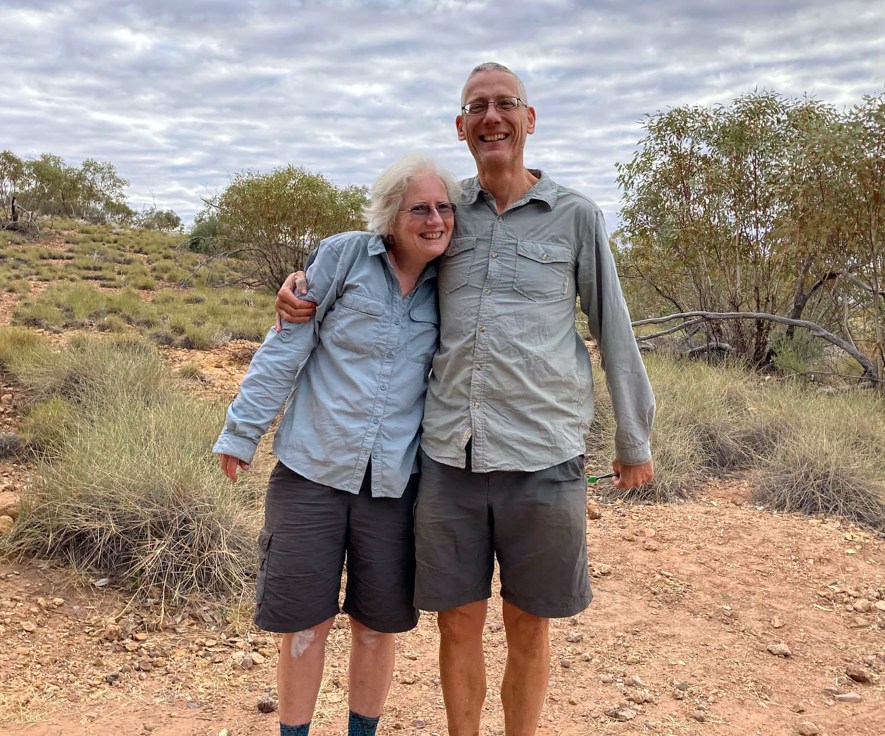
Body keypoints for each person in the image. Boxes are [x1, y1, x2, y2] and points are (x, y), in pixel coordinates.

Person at [277, 63, 656, 736]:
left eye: (506, 103)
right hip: (451, 460)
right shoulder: (446, 214)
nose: (492, 117)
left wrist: (635, 440)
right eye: (477, 106)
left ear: (529, 120)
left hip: (543, 458)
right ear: (461, 127)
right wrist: (300, 283)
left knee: (529, 627)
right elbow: (377, 254)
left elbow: (613, 329)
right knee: (457, 624)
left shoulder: (575, 217)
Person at [215, 152, 460, 736]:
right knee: (305, 625)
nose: (434, 220)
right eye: (419, 208)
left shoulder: (453, 281)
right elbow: (287, 347)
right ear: (390, 216)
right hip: (312, 472)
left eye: (444, 208)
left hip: (394, 482)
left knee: (377, 627)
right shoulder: (344, 254)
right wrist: (243, 430)